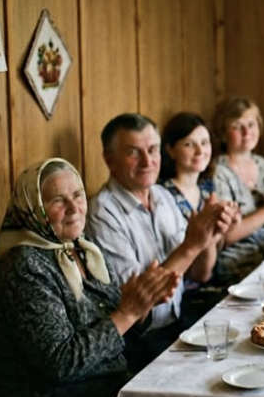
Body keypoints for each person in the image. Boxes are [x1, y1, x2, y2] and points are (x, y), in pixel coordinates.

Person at [0, 158, 179, 397]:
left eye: (78, 195)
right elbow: (60, 363)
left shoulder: (84, 248)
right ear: (33, 208)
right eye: (58, 200)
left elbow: (117, 332)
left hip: (116, 384)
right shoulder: (24, 268)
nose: (74, 207)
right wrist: (127, 313)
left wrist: (142, 304)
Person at [86, 113, 236, 369]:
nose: (147, 161)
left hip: (177, 323)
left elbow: (200, 273)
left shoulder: (162, 195)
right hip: (136, 341)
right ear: (109, 160)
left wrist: (209, 235)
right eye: (134, 152)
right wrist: (191, 245)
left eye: (152, 149)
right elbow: (141, 302)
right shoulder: (103, 212)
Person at [213, 96, 264, 212]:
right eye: (236, 126)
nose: (246, 132)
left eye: (251, 124)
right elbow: (228, 229)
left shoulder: (263, 165)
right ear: (223, 132)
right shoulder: (217, 170)